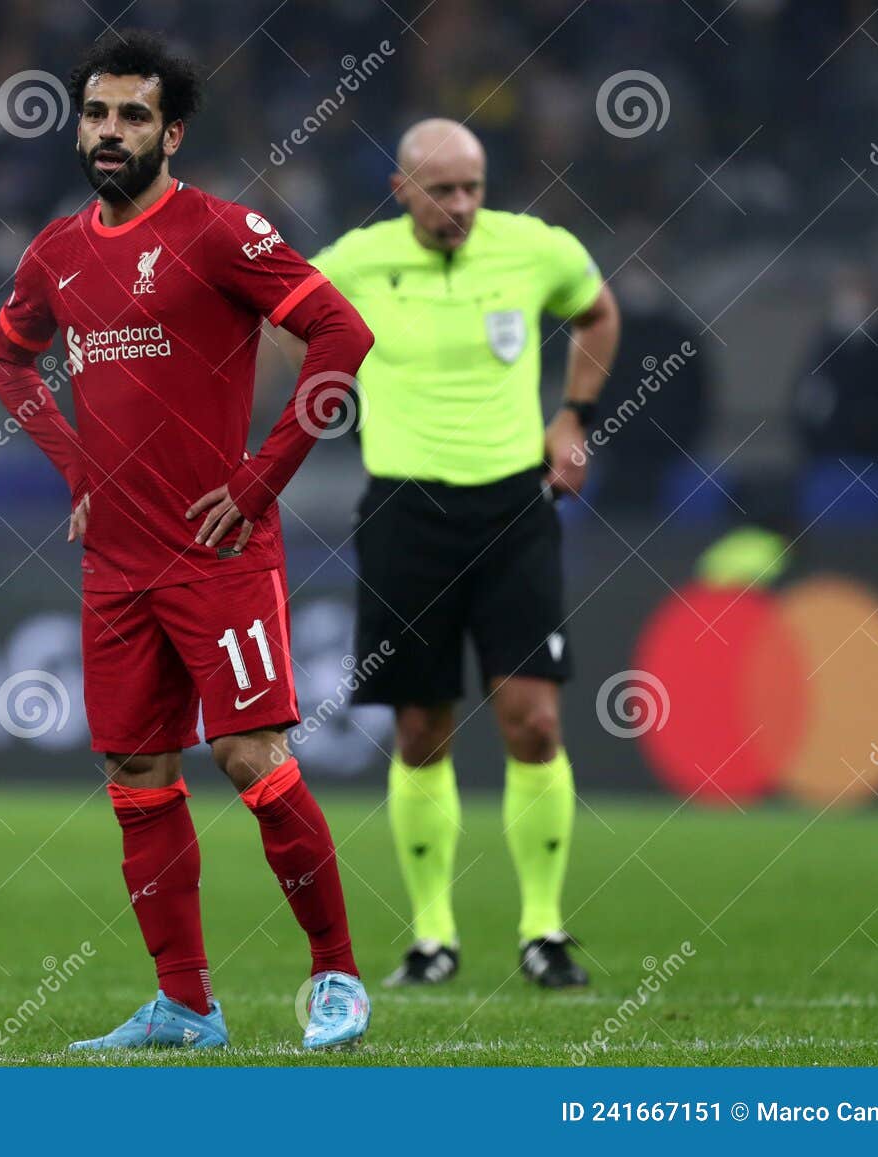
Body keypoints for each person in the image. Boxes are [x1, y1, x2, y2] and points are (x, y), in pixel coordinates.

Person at [0, 30, 376, 1049]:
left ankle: (336, 975)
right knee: (137, 773)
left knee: (251, 757)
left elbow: (342, 334)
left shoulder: (218, 232)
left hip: (217, 550)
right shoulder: (56, 254)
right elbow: (9, 360)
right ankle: (186, 1003)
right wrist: (76, 467)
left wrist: (258, 477)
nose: (109, 133)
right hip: (115, 561)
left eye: (132, 117)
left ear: (172, 131)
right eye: (97, 114)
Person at [299, 119, 619, 988]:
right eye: (442, 190)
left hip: (513, 507)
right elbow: (274, 312)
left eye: (473, 187)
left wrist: (573, 417)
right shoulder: (357, 261)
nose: (462, 206)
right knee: (419, 727)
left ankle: (543, 929)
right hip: (405, 511)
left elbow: (596, 310)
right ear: (401, 190)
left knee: (536, 719)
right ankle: (432, 936)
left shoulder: (532, 248)